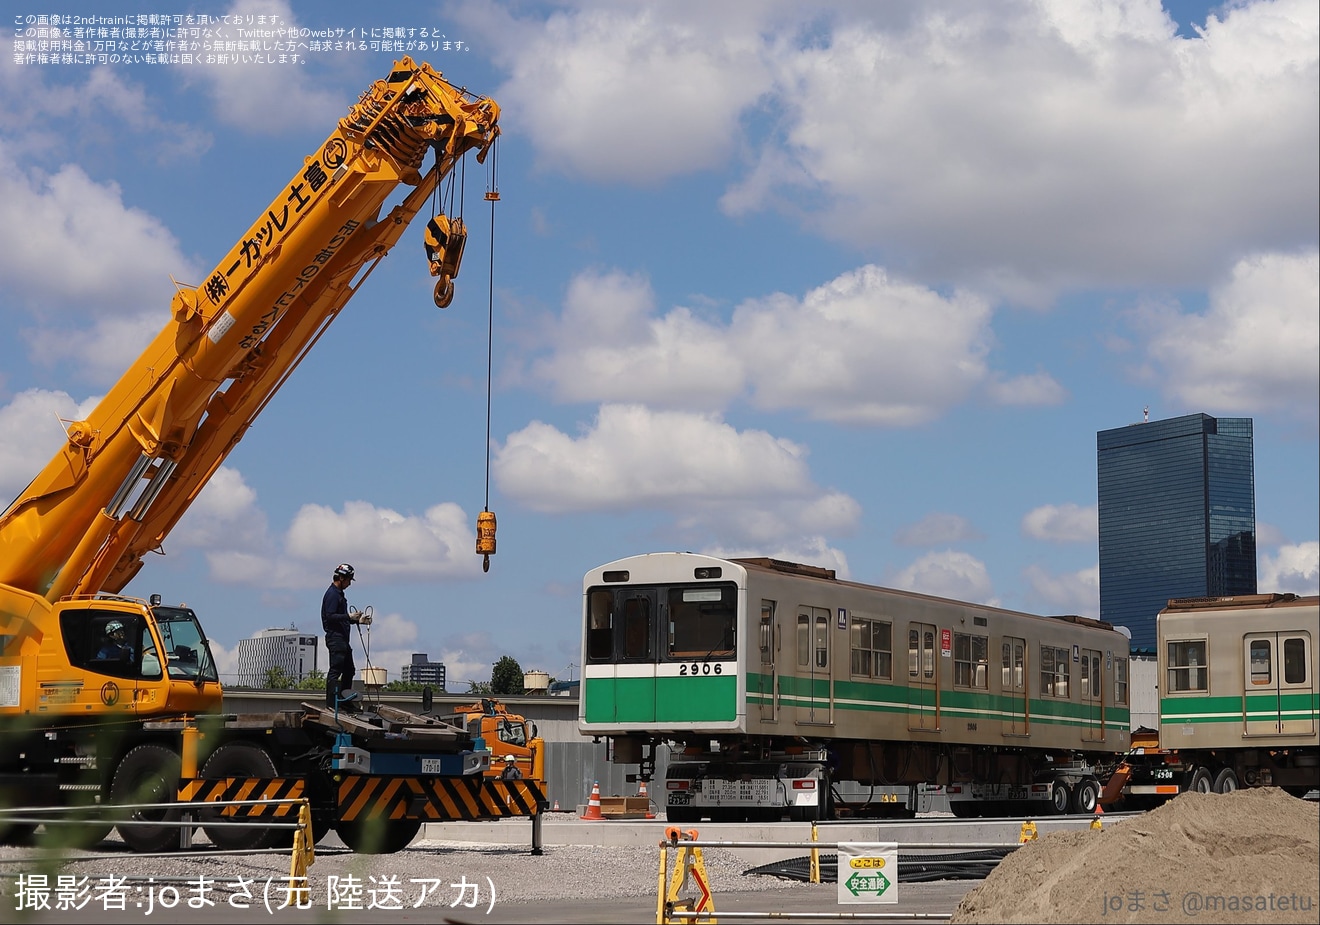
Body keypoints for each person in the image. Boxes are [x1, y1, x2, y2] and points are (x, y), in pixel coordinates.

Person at [322, 563, 371, 710]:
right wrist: (348, 616)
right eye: (349, 580)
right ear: (341, 578)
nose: (349, 583)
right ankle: (332, 704)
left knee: (349, 669)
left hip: (342, 639)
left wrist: (356, 620)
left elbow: (340, 617)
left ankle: (344, 702)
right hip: (335, 638)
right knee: (335, 670)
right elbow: (330, 616)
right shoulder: (332, 594)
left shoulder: (339, 594)